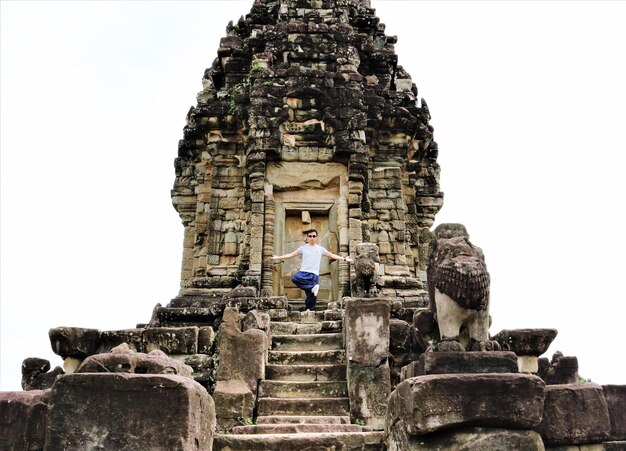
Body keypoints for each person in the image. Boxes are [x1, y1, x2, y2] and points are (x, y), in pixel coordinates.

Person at [271, 229, 353, 311]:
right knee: (294, 278)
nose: (312, 238)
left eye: (314, 236)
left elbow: (332, 255)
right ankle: (312, 287)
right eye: (310, 236)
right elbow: (290, 255)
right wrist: (278, 257)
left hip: (314, 275)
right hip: (303, 273)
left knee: (311, 297)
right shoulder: (303, 248)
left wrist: (344, 258)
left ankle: (309, 310)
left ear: (316, 237)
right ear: (307, 237)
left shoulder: (321, 249)